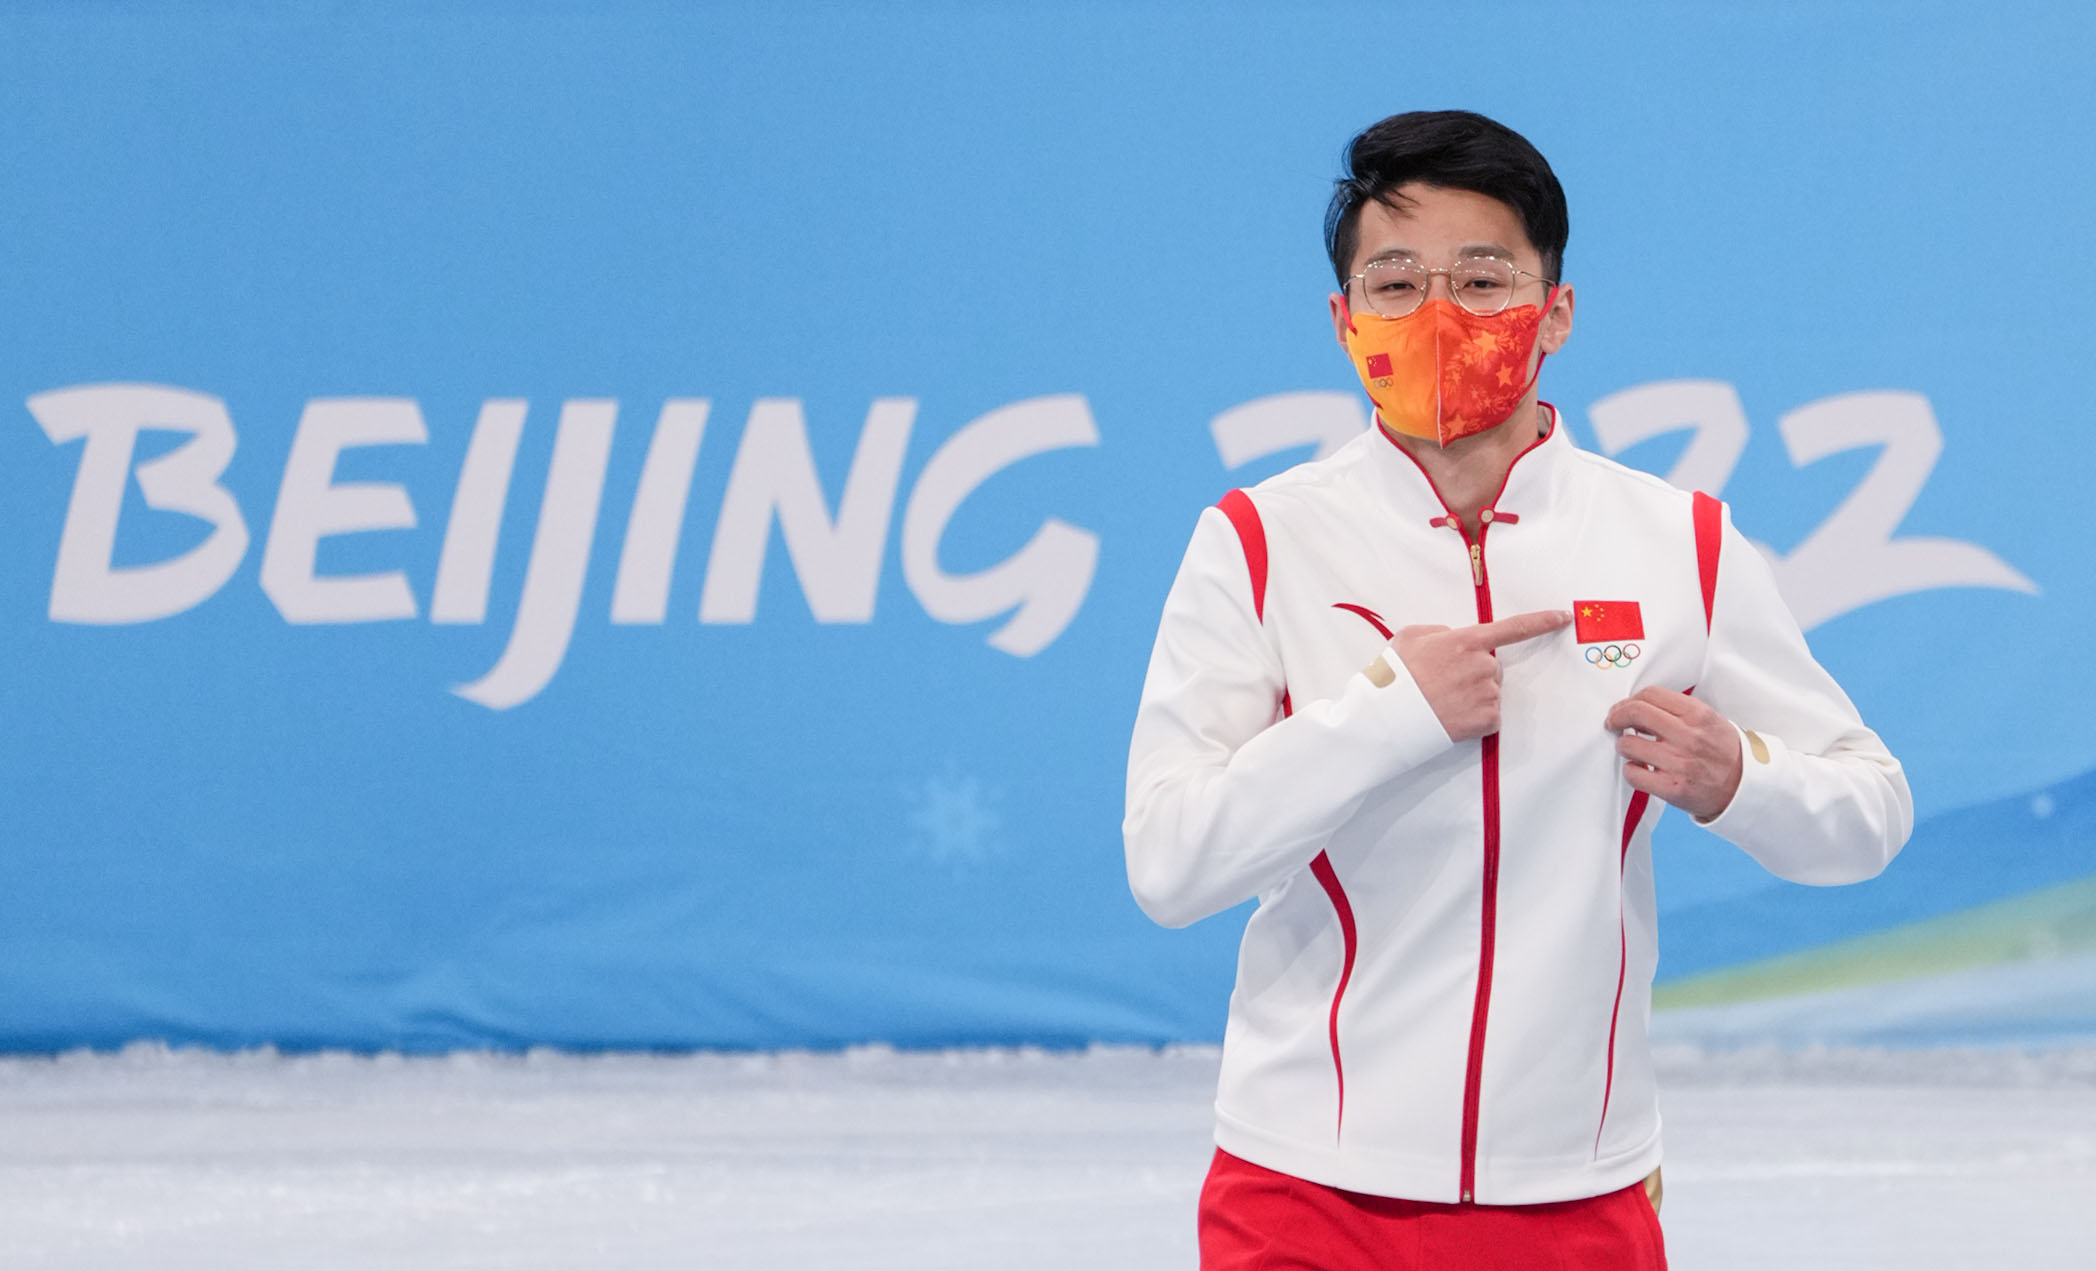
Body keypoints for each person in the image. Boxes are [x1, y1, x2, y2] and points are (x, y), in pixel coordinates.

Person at [1121, 110, 1913, 1270]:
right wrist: (1389, 712)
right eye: (1394, 284)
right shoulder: (1257, 540)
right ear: (1344, 321)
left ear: (1554, 312)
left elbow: (1867, 813)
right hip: (1303, 1186)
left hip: (1574, 1193)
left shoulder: (1676, 541)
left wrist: (1734, 776)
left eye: (1482, 279)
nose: (1438, 315)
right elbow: (1168, 861)